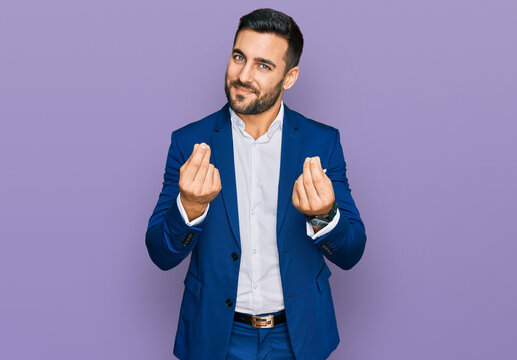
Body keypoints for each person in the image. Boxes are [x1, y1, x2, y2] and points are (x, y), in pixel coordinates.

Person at [145, 8, 366, 360]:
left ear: (289, 77)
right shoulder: (189, 142)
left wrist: (324, 215)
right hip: (216, 335)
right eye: (238, 57)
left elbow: (352, 252)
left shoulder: (321, 143)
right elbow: (160, 253)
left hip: (297, 337)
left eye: (263, 65)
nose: (243, 75)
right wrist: (190, 207)